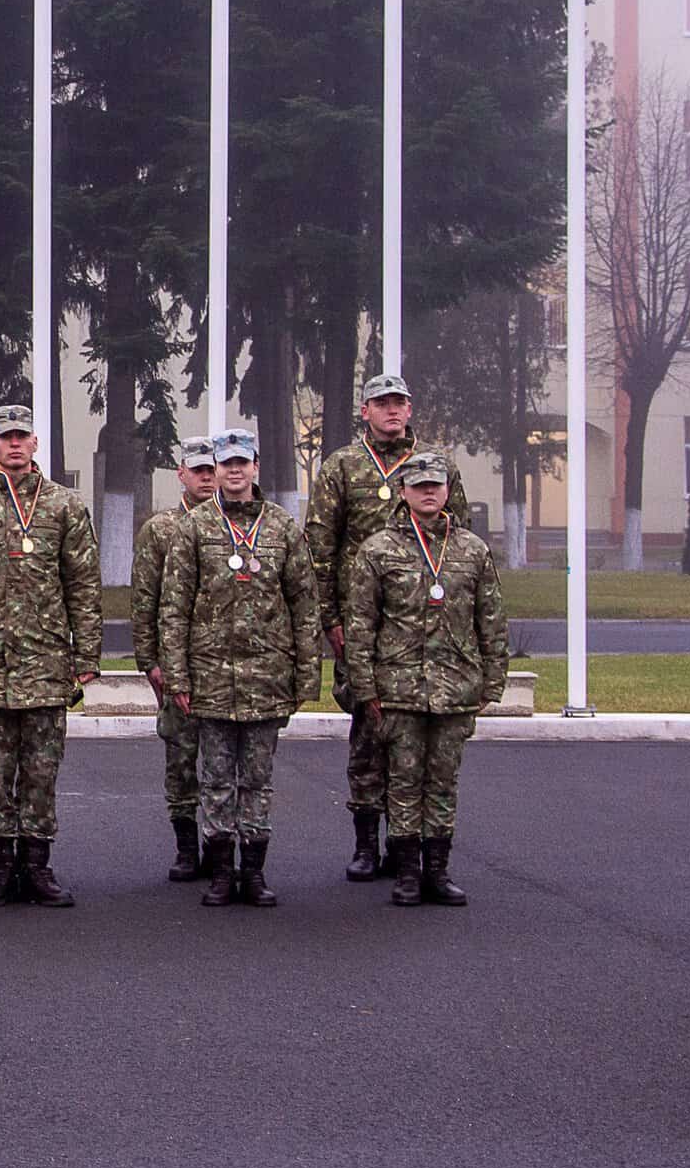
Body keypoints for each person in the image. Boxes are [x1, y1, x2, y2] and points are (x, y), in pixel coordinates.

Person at [0, 404, 102, 907]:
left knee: (42, 770)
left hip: (46, 663)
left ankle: (38, 865)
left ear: (34, 444)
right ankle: (0, 866)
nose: (13, 444)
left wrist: (86, 651)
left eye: (22, 436)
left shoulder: (64, 506)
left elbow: (84, 585)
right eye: (4, 437)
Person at [306, 374, 469, 884]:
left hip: (425, 622)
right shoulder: (342, 465)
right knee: (369, 730)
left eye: (399, 402)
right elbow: (321, 547)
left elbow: (458, 537)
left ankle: (418, 849)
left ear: (410, 408)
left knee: (426, 740)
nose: (392, 411)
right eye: (382, 403)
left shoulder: (437, 465)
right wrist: (330, 619)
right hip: (363, 624)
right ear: (365, 411)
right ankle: (365, 841)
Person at [159, 428, 319, 909]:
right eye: (224, 463)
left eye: (241, 462)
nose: (232, 471)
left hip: (267, 679)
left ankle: (254, 871)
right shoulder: (193, 528)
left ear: (256, 468)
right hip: (210, 679)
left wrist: (305, 678)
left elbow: (304, 605)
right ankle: (222, 871)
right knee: (214, 780)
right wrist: (178, 676)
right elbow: (174, 608)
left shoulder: (283, 529)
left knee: (258, 780)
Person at [344, 451, 509, 907]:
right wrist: (366, 687)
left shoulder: (472, 550)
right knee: (402, 781)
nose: (429, 493)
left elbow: (491, 619)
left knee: (442, 783)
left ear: (447, 491)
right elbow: (361, 626)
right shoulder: (378, 550)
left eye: (436, 486)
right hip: (399, 690)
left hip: (456, 687)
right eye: (419, 487)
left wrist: (492, 682)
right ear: (404, 494)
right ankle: (408, 872)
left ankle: (438, 869)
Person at [130, 435, 218, 882]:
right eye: (197, 469)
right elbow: (144, 601)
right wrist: (150, 662)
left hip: (229, 666)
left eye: (212, 469)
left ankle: (223, 848)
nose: (206, 477)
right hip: (178, 663)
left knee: (227, 763)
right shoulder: (161, 530)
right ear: (181, 474)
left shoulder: (243, 527)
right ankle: (187, 849)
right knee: (182, 760)